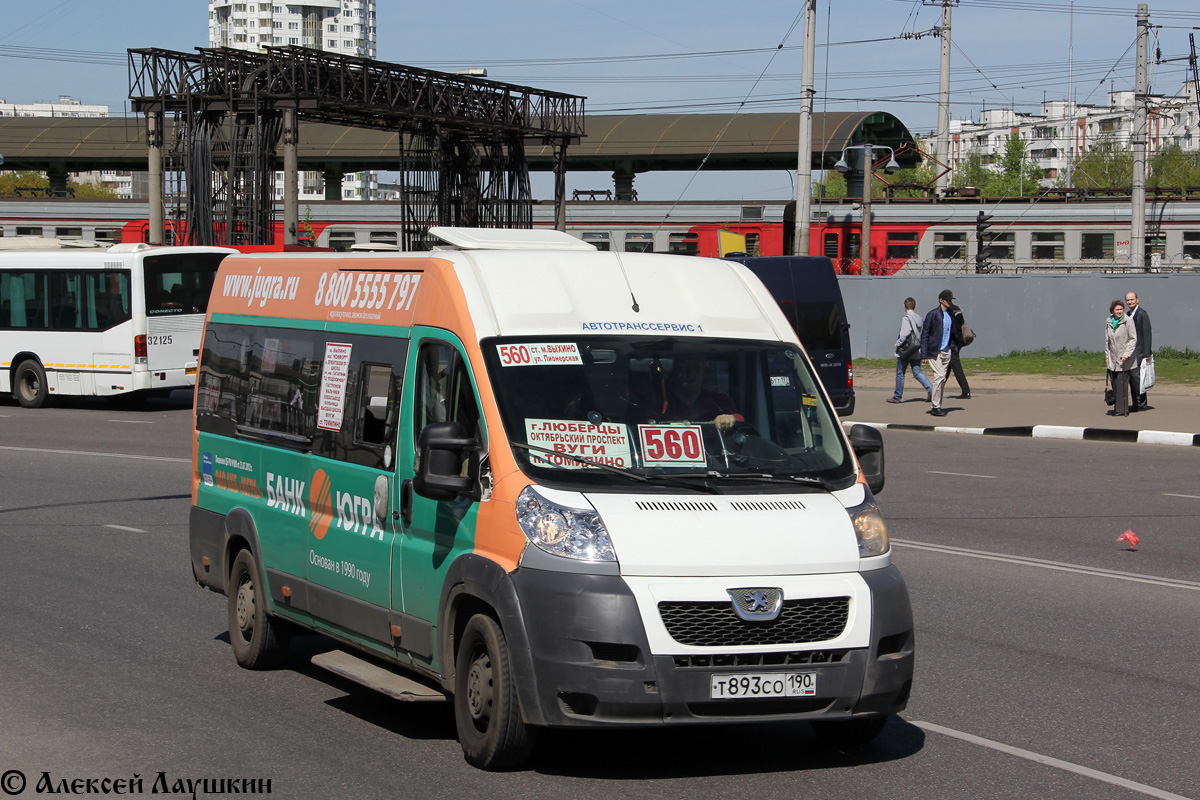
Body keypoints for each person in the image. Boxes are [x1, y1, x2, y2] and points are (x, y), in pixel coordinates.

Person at [648, 353, 742, 431]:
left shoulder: (721, 401)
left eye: (696, 368)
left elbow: (740, 420)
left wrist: (730, 419)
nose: (691, 373)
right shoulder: (657, 403)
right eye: (684, 368)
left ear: (703, 373)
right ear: (672, 374)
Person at [918, 289, 962, 418]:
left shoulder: (950, 314)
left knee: (941, 379)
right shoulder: (933, 314)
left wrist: (954, 347)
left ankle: (937, 405)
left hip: (946, 351)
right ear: (940, 300)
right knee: (940, 377)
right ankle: (935, 406)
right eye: (947, 300)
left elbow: (954, 332)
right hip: (934, 351)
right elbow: (925, 333)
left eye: (950, 300)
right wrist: (923, 354)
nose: (949, 302)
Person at [888, 297, 932, 404]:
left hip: (906, 350)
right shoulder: (919, 318)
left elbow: (904, 334)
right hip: (916, 349)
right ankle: (931, 389)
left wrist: (897, 344)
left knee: (900, 373)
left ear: (904, 306)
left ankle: (897, 396)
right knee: (917, 372)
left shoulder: (906, 318)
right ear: (914, 306)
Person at [1105, 299, 1137, 417]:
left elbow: (1133, 339)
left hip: (1124, 358)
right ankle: (1117, 407)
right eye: (1117, 309)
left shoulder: (1128, 321)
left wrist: (1127, 354)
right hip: (1113, 357)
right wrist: (1107, 356)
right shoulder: (1109, 321)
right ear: (1112, 311)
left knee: (1122, 383)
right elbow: (1107, 341)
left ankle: (1122, 409)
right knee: (1114, 383)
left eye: (1121, 309)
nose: (1119, 311)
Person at [1125, 291, 1153, 411]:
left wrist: (1147, 353)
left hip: (1140, 352)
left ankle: (1141, 404)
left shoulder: (1142, 314)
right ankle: (1135, 403)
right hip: (1131, 352)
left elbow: (1147, 334)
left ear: (1137, 300)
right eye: (1128, 300)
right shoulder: (1128, 314)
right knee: (1132, 379)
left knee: (1138, 379)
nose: (1130, 302)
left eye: (1132, 299)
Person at [948, 302, 971, 399]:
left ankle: (966, 391)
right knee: (946, 367)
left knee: (956, 366)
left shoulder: (948, 311)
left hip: (952, 342)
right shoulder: (958, 308)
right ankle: (936, 391)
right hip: (959, 340)